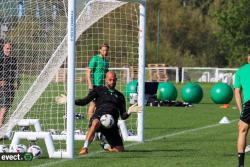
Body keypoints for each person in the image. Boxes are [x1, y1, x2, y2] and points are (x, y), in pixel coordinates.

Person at [55, 71, 141, 155]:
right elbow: (84, 101)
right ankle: (85, 148)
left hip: (112, 124)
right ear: (106, 80)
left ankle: (106, 145)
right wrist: (70, 100)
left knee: (120, 150)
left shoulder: (120, 96)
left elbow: (123, 116)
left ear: (116, 80)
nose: (112, 82)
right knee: (95, 122)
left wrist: (129, 111)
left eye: (114, 80)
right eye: (110, 80)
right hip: (99, 117)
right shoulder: (98, 90)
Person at [234, 51, 250, 167]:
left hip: (249, 104)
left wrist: (241, 113)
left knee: (243, 130)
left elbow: (237, 92)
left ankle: (241, 165)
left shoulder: (240, 71)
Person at [86, 43, 109, 120]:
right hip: (95, 85)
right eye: (103, 50)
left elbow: (106, 74)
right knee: (93, 104)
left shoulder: (106, 61)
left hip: (103, 87)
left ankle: (97, 121)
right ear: (100, 50)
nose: (105, 52)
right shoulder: (95, 58)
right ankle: (90, 122)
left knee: (101, 105)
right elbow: (88, 71)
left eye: (106, 50)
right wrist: (90, 85)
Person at [0, 42, 20, 127]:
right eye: (7, 48)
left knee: (6, 108)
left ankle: (1, 126)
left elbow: (16, 71)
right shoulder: (1, 58)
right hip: (3, 87)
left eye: (10, 49)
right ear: (3, 48)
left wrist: (18, 81)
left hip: (11, 86)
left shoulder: (13, 59)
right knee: (4, 108)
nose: (9, 50)